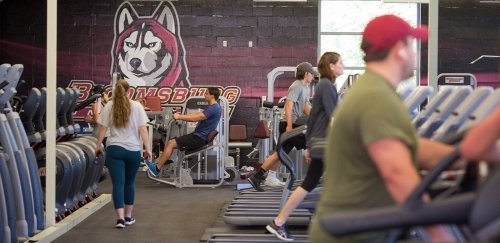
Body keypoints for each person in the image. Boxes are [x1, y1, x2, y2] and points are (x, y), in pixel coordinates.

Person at [309, 15, 460, 242]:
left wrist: (464, 155)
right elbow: (398, 175)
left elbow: (411, 149)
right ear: (400, 49)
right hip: (354, 235)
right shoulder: (376, 97)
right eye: (412, 46)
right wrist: (442, 236)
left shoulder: (377, 90)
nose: (415, 54)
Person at [266, 52, 345, 241]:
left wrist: (309, 146)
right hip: (324, 143)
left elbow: (315, 117)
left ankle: (279, 222)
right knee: (340, 177)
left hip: (318, 142)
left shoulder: (323, 86)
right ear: (332, 66)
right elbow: (332, 118)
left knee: (310, 183)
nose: (344, 65)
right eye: (341, 62)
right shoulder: (327, 86)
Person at [247, 62, 315, 191]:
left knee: (280, 153)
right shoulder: (297, 86)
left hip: (292, 124)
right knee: (312, 145)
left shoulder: (303, 88)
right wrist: (289, 126)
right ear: (306, 74)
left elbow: (306, 108)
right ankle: (313, 179)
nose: (312, 77)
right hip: (291, 125)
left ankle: (261, 177)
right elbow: (288, 105)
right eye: (311, 74)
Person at [95, 79, 152, 228]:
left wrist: (97, 145)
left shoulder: (109, 106)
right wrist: (148, 149)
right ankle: (128, 217)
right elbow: (143, 130)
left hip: (115, 150)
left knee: (118, 184)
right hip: (133, 150)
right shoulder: (137, 106)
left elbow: (102, 128)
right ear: (129, 92)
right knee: (129, 183)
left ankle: (120, 219)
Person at [146, 87, 222, 176]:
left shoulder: (214, 108)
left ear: (212, 96)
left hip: (199, 138)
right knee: (173, 142)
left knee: (171, 143)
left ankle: (156, 168)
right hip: (198, 136)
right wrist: (181, 115)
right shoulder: (213, 107)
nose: (204, 95)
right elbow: (196, 114)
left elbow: (197, 117)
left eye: (206, 93)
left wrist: (179, 117)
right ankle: (160, 164)